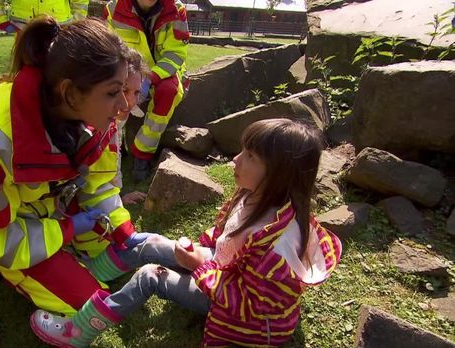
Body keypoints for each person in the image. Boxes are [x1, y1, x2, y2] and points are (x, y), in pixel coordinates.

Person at [31, 118, 343, 347]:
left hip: (238, 311)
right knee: (149, 241)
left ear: (278, 175)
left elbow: (250, 305)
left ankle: (78, 332)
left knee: (150, 275)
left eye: (250, 156)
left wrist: (198, 266)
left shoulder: (279, 246)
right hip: (225, 271)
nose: (236, 158)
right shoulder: (257, 196)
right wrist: (203, 250)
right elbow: (227, 237)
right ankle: (91, 274)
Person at [0, 17, 146, 317]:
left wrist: (124, 232)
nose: (123, 106)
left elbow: (99, 184)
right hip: (3, 228)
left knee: (105, 259)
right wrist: (66, 229)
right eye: (113, 92)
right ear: (70, 93)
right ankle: (3, 270)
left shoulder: (90, 111)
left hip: (42, 211)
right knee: (90, 305)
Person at [105, 0, 190, 181]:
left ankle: (142, 154)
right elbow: (107, 50)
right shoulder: (113, 9)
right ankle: (111, 147)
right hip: (125, 71)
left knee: (169, 91)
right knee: (111, 91)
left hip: (163, 71)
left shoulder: (176, 9)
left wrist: (149, 79)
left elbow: (175, 54)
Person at [113, 48, 149, 205]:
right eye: (124, 90)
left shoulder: (118, 118)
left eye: (136, 93)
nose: (130, 101)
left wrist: (119, 197)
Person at [0, 0, 89, 32]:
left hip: (62, 27)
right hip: (23, 27)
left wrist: (76, 23)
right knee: (26, 71)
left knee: (60, 70)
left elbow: (81, 1)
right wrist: (2, 21)